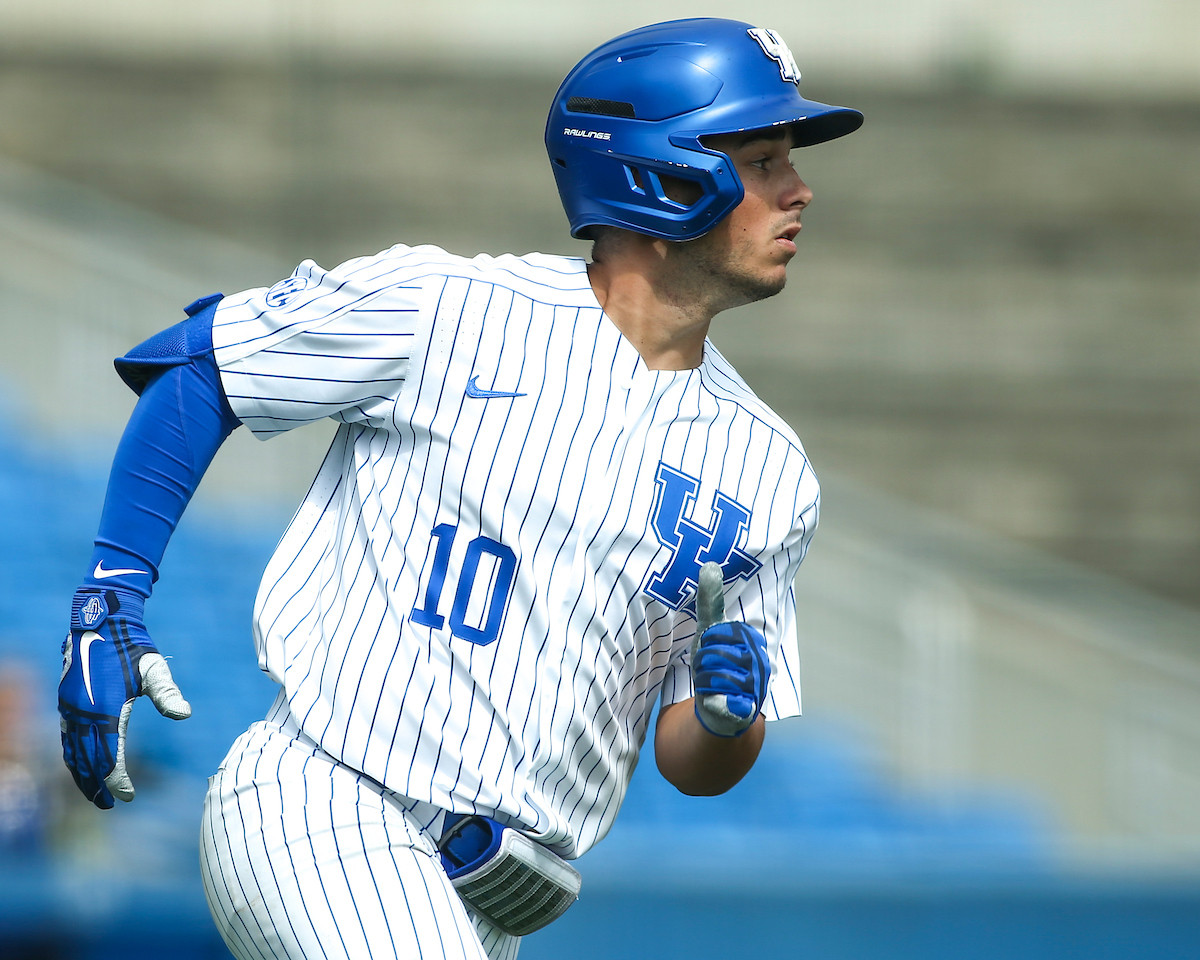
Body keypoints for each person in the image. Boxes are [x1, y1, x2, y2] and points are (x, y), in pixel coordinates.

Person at [56, 17, 862, 960]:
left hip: (491, 896)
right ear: (663, 170)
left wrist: (730, 722)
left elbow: (693, 759)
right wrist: (112, 590)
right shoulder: (449, 308)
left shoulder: (771, 469)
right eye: (763, 159)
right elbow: (201, 367)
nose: (798, 189)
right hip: (325, 806)